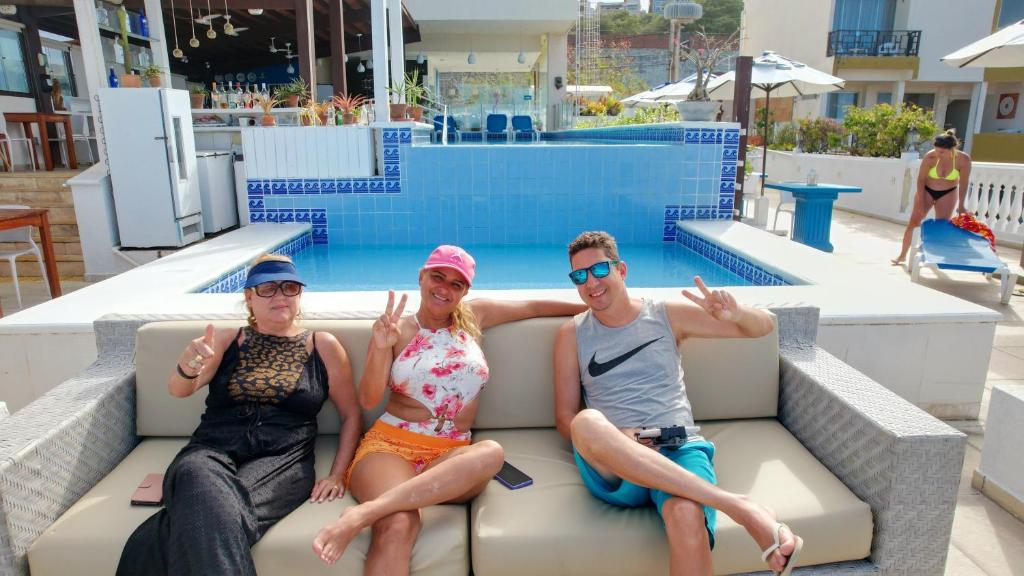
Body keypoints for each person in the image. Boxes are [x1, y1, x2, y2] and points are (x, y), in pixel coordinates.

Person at [313, 245, 585, 570]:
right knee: (398, 522)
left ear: (465, 291)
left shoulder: (475, 316)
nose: (444, 288)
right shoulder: (397, 329)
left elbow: (534, 307)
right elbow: (370, 400)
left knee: (491, 453)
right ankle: (377, 511)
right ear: (421, 277)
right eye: (437, 277)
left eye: (456, 284)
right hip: (390, 447)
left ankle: (364, 513)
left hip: (451, 457)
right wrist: (381, 348)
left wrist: (593, 306)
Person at [553, 231, 804, 576]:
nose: (591, 282)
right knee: (586, 422)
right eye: (579, 276)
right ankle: (741, 508)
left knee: (686, 515)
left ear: (621, 270)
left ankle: (736, 508)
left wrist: (736, 315)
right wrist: (621, 437)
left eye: (598, 269)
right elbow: (565, 418)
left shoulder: (666, 315)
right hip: (617, 458)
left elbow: (763, 327)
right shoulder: (572, 334)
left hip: (677, 445)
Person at [117, 254, 362, 576]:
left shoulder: (323, 345)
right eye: (267, 288)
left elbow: (351, 414)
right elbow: (179, 389)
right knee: (197, 477)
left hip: (283, 459)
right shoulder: (226, 339)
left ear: (299, 294)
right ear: (249, 297)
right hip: (212, 448)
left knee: (201, 513)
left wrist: (336, 474)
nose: (280, 295)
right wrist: (187, 365)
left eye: (289, 287)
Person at [892, 129, 973, 265]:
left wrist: (961, 205)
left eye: (942, 152)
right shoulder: (930, 157)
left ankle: (936, 256)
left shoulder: (963, 160)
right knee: (914, 222)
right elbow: (921, 180)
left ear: (952, 149)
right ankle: (902, 255)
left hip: (948, 192)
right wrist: (920, 200)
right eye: (936, 150)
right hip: (927, 190)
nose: (938, 154)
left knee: (941, 225)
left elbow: (964, 183)